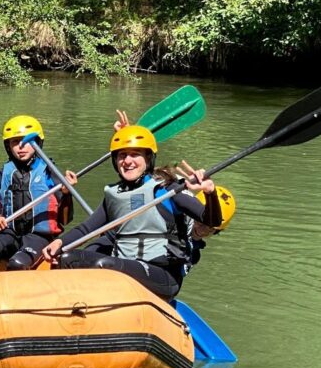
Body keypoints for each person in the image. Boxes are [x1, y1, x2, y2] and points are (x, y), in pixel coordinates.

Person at [41, 125, 222, 300]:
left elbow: (211, 220)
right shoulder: (115, 195)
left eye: (135, 155)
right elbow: (87, 228)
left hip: (163, 273)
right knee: (68, 259)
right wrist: (60, 242)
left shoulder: (166, 190)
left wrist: (210, 192)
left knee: (104, 265)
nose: (127, 161)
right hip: (124, 264)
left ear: (148, 159)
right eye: (122, 155)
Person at [0, 115, 74, 273]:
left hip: (39, 236)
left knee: (17, 263)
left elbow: (66, 220)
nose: (21, 147)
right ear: (8, 146)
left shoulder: (49, 172)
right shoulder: (5, 172)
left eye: (26, 141)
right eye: (15, 142)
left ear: (37, 143)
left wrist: (66, 194)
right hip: (10, 232)